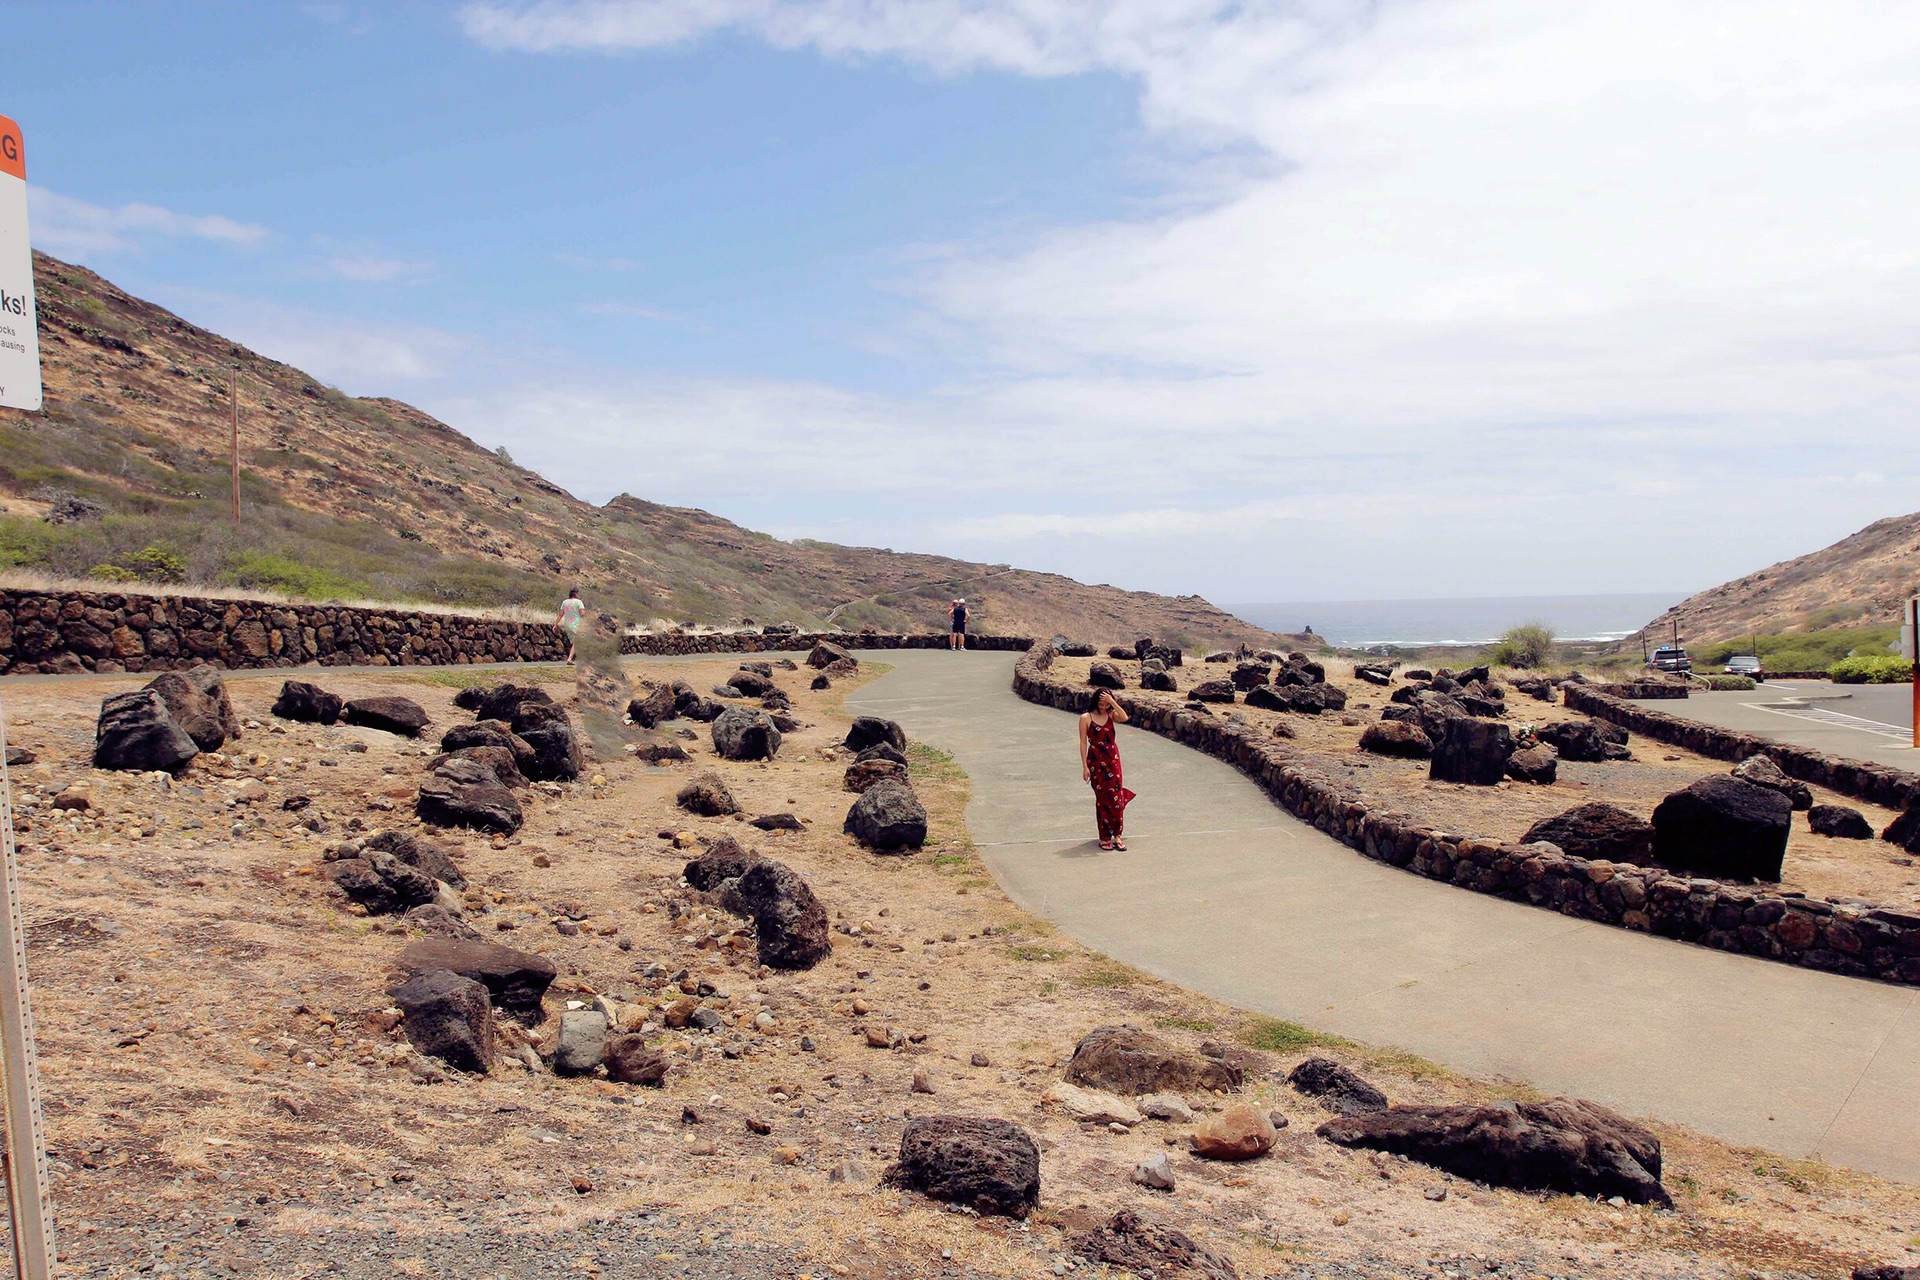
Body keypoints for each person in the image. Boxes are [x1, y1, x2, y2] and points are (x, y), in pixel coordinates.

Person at [1078, 689, 1137, 851]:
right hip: (1096, 761)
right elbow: (1083, 743)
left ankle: (1117, 835)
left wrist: (1113, 702)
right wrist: (1085, 766)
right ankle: (1104, 837)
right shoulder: (1086, 718)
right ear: (1095, 701)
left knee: (1116, 799)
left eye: (1106, 703)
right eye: (1101, 702)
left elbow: (1124, 717)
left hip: (1113, 760)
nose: (1103, 706)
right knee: (1103, 799)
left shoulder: (1111, 715)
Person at [556, 587, 585, 662]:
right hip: (576, 624)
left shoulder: (564, 602)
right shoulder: (579, 602)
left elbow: (560, 614)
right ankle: (570, 658)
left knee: (575, 642)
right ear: (576, 593)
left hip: (567, 624)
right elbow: (582, 614)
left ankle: (573, 658)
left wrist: (555, 624)